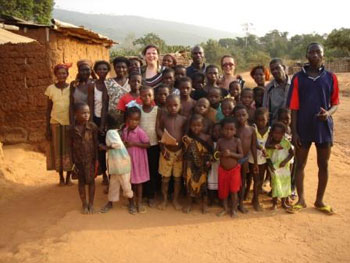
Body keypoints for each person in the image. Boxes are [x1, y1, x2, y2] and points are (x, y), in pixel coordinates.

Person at [286, 43, 339, 215]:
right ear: (307, 55)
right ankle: (301, 200)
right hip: (303, 127)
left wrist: (328, 113)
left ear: (323, 55)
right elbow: (293, 107)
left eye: (318, 52)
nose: (315, 55)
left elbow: (335, 103)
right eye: (312, 52)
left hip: (323, 128)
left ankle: (319, 200)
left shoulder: (331, 77)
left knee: (323, 164)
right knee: (300, 164)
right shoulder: (297, 78)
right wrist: (294, 132)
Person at [99, 111, 135, 214]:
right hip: (117, 164)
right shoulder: (116, 131)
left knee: (125, 184)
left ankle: (131, 203)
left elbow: (117, 145)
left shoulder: (111, 132)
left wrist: (104, 147)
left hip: (121, 164)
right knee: (114, 184)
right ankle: (111, 202)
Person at [156, 94, 187, 210]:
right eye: (169, 106)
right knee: (165, 178)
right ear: (166, 107)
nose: (172, 108)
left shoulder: (183, 120)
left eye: (175, 105)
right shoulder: (163, 118)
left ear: (180, 106)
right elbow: (158, 130)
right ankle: (164, 200)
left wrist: (183, 151)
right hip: (166, 152)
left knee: (178, 179)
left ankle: (175, 200)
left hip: (179, 153)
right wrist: (163, 148)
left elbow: (185, 137)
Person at [45, 63, 73, 186]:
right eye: (59, 73)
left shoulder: (72, 88)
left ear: (67, 75)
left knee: (69, 150)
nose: (62, 75)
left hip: (69, 124)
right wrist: (47, 127)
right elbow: (48, 109)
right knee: (58, 151)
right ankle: (61, 177)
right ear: (55, 75)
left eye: (64, 73)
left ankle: (69, 177)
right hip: (55, 123)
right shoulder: (50, 89)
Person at [71, 103, 98, 214]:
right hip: (78, 161)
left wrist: (96, 159)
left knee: (91, 181)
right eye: (83, 113)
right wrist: (72, 162)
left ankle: (91, 203)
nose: (86, 115)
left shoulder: (92, 127)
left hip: (90, 160)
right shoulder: (72, 129)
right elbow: (70, 146)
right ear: (76, 115)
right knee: (81, 182)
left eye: (88, 112)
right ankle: (84, 203)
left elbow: (96, 143)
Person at [182, 114, 213, 214]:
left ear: (203, 126)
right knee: (189, 185)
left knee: (203, 185)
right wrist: (184, 168)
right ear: (190, 126)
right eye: (193, 125)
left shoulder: (207, 138)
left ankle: (204, 204)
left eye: (198, 125)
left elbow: (211, 152)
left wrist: (209, 162)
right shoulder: (187, 139)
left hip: (203, 165)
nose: (196, 127)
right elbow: (185, 154)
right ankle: (189, 203)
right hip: (190, 165)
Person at [122, 106, 150, 213]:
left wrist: (134, 143)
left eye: (137, 120)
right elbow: (124, 142)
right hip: (128, 161)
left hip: (138, 161)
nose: (134, 122)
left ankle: (139, 203)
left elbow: (147, 144)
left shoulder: (140, 132)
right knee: (129, 183)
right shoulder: (125, 130)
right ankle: (131, 203)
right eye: (132, 119)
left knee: (138, 183)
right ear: (127, 119)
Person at [215, 117, 243, 217]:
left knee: (234, 191)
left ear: (235, 131)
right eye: (226, 129)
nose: (228, 131)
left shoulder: (237, 141)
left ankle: (234, 209)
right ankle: (225, 208)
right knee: (223, 191)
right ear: (222, 130)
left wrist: (230, 154)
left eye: (231, 129)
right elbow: (216, 154)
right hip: (222, 170)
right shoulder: (220, 141)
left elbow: (241, 155)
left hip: (234, 170)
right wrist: (221, 154)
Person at [234, 104, 258, 213]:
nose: (241, 117)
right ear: (235, 116)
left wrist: (256, 163)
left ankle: (241, 204)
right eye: (238, 115)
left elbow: (253, 146)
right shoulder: (233, 129)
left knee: (242, 181)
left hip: (245, 159)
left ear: (247, 115)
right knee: (234, 182)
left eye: (243, 115)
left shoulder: (252, 130)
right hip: (233, 159)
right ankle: (233, 203)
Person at [139, 87, 161, 207]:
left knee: (153, 170)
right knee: (142, 170)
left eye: (149, 95)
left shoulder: (157, 110)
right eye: (143, 95)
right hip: (141, 146)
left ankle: (151, 195)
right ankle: (143, 194)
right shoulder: (138, 110)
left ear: (153, 97)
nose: (146, 98)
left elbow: (158, 127)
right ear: (140, 97)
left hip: (154, 145)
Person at [265, 122, 294, 210]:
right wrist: (271, 166)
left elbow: (292, 153)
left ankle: (283, 202)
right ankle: (274, 203)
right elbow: (267, 157)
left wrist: (285, 161)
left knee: (285, 185)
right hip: (274, 168)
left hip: (284, 168)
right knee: (275, 185)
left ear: (283, 134)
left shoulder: (285, 142)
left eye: (280, 133)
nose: (277, 135)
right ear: (272, 133)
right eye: (275, 133)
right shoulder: (270, 145)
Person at [248, 107, 270, 211]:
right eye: (258, 120)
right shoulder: (253, 128)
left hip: (264, 160)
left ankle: (255, 197)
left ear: (267, 120)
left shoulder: (269, 130)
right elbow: (254, 143)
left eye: (263, 120)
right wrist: (261, 148)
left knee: (260, 179)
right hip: (253, 159)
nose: (260, 122)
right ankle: (255, 200)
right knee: (256, 180)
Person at [93, 60, 110, 185]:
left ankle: (113, 173)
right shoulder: (92, 85)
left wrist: (105, 124)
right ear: (96, 71)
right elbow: (90, 103)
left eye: (105, 69)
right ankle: (104, 174)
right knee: (101, 149)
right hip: (97, 119)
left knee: (112, 148)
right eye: (99, 69)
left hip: (110, 120)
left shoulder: (111, 84)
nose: (102, 71)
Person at [263, 58, 291, 124]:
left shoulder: (294, 84)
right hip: (276, 126)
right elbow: (266, 110)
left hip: (294, 124)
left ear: (283, 68)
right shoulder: (269, 88)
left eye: (277, 68)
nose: (275, 71)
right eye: (272, 70)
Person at [69, 60, 94, 124]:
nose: (85, 72)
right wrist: (72, 121)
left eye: (87, 70)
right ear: (78, 71)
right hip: (77, 119)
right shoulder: (74, 84)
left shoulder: (94, 83)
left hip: (92, 118)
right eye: (82, 70)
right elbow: (71, 104)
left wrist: (90, 122)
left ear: (91, 71)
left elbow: (92, 104)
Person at [208, 123, 221, 205]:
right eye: (214, 131)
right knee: (211, 182)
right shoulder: (210, 142)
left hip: (220, 166)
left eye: (219, 131)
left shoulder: (223, 142)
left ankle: (219, 199)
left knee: (220, 183)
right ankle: (211, 200)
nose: (216, 133)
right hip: (212, 167)